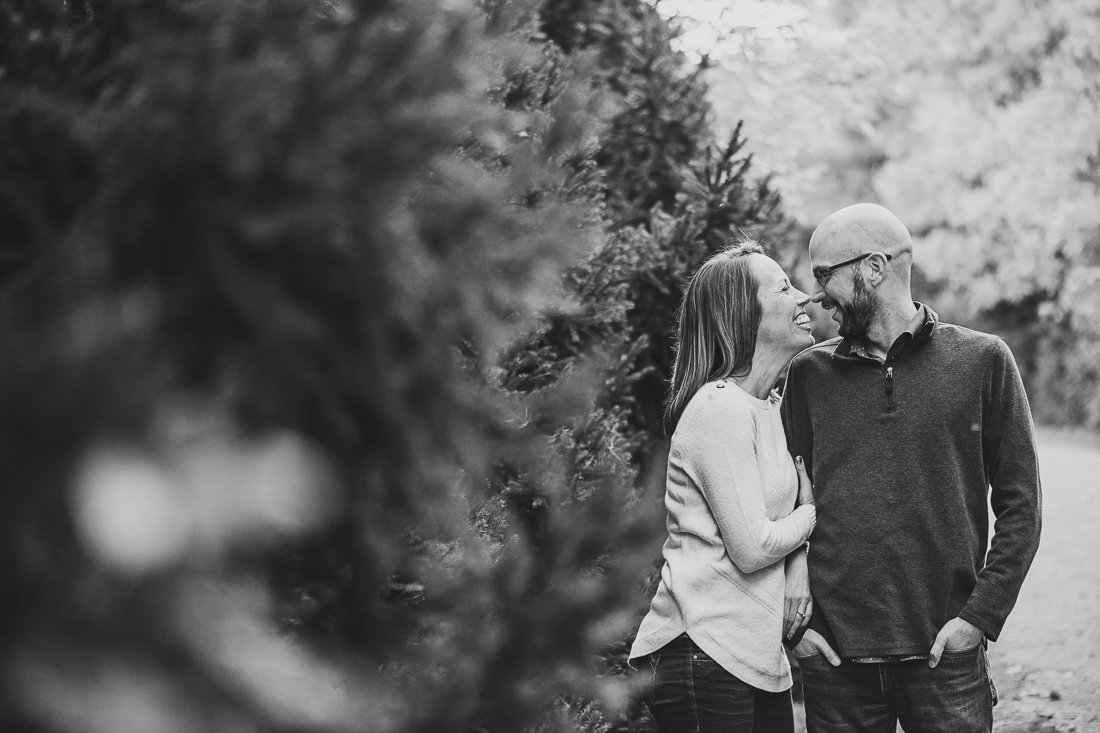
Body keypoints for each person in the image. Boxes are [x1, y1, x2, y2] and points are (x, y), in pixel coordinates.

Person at [781, 203, 1042, 733]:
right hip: (835, 663)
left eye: (824, 275)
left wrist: (979, 618)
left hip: (944, 656)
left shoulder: (984, 361)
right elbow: (778, 502)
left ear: (873, 268)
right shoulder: (809, 375)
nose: (815, 296)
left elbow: (1022, 506)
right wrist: (796, 634)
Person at [629, 241, 835, 733]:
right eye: (784, 288)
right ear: (743, 314)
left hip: (750, 657)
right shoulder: (719, 408)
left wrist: (800, 558)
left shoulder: (767, 407)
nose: (804, 297)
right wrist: (810, 513)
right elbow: (752, 546)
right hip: (702, 650)